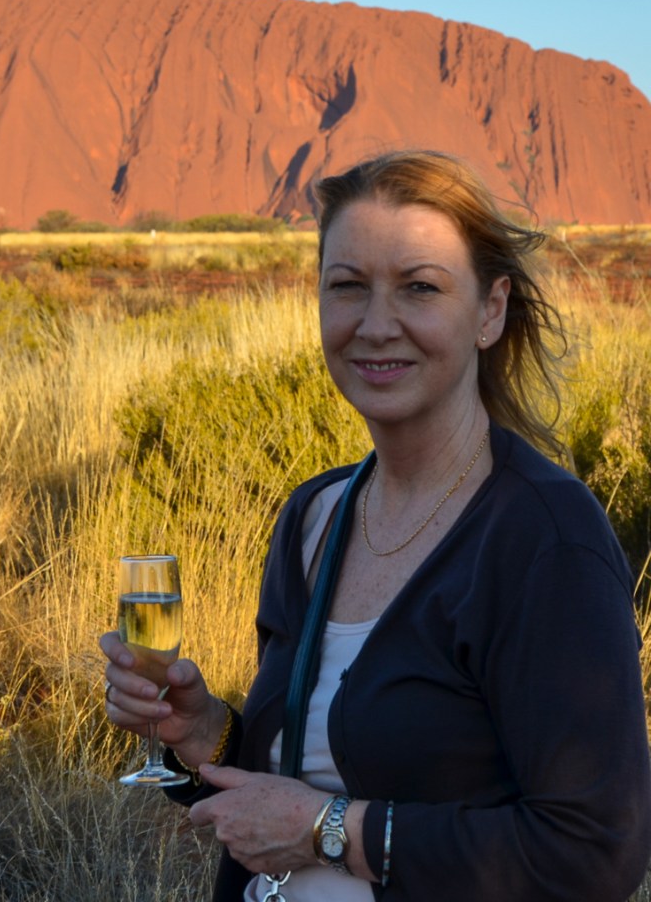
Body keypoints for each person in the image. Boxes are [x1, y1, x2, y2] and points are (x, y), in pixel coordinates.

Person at [100, 149, 651, 901]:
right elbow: (296, 781)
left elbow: (594, 853)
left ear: (490, 311)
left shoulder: (542, 541)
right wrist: (203, 737)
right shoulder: (313, 518)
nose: (376, 324)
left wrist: (334, 830)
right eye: (348, 287)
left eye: (419, 288)